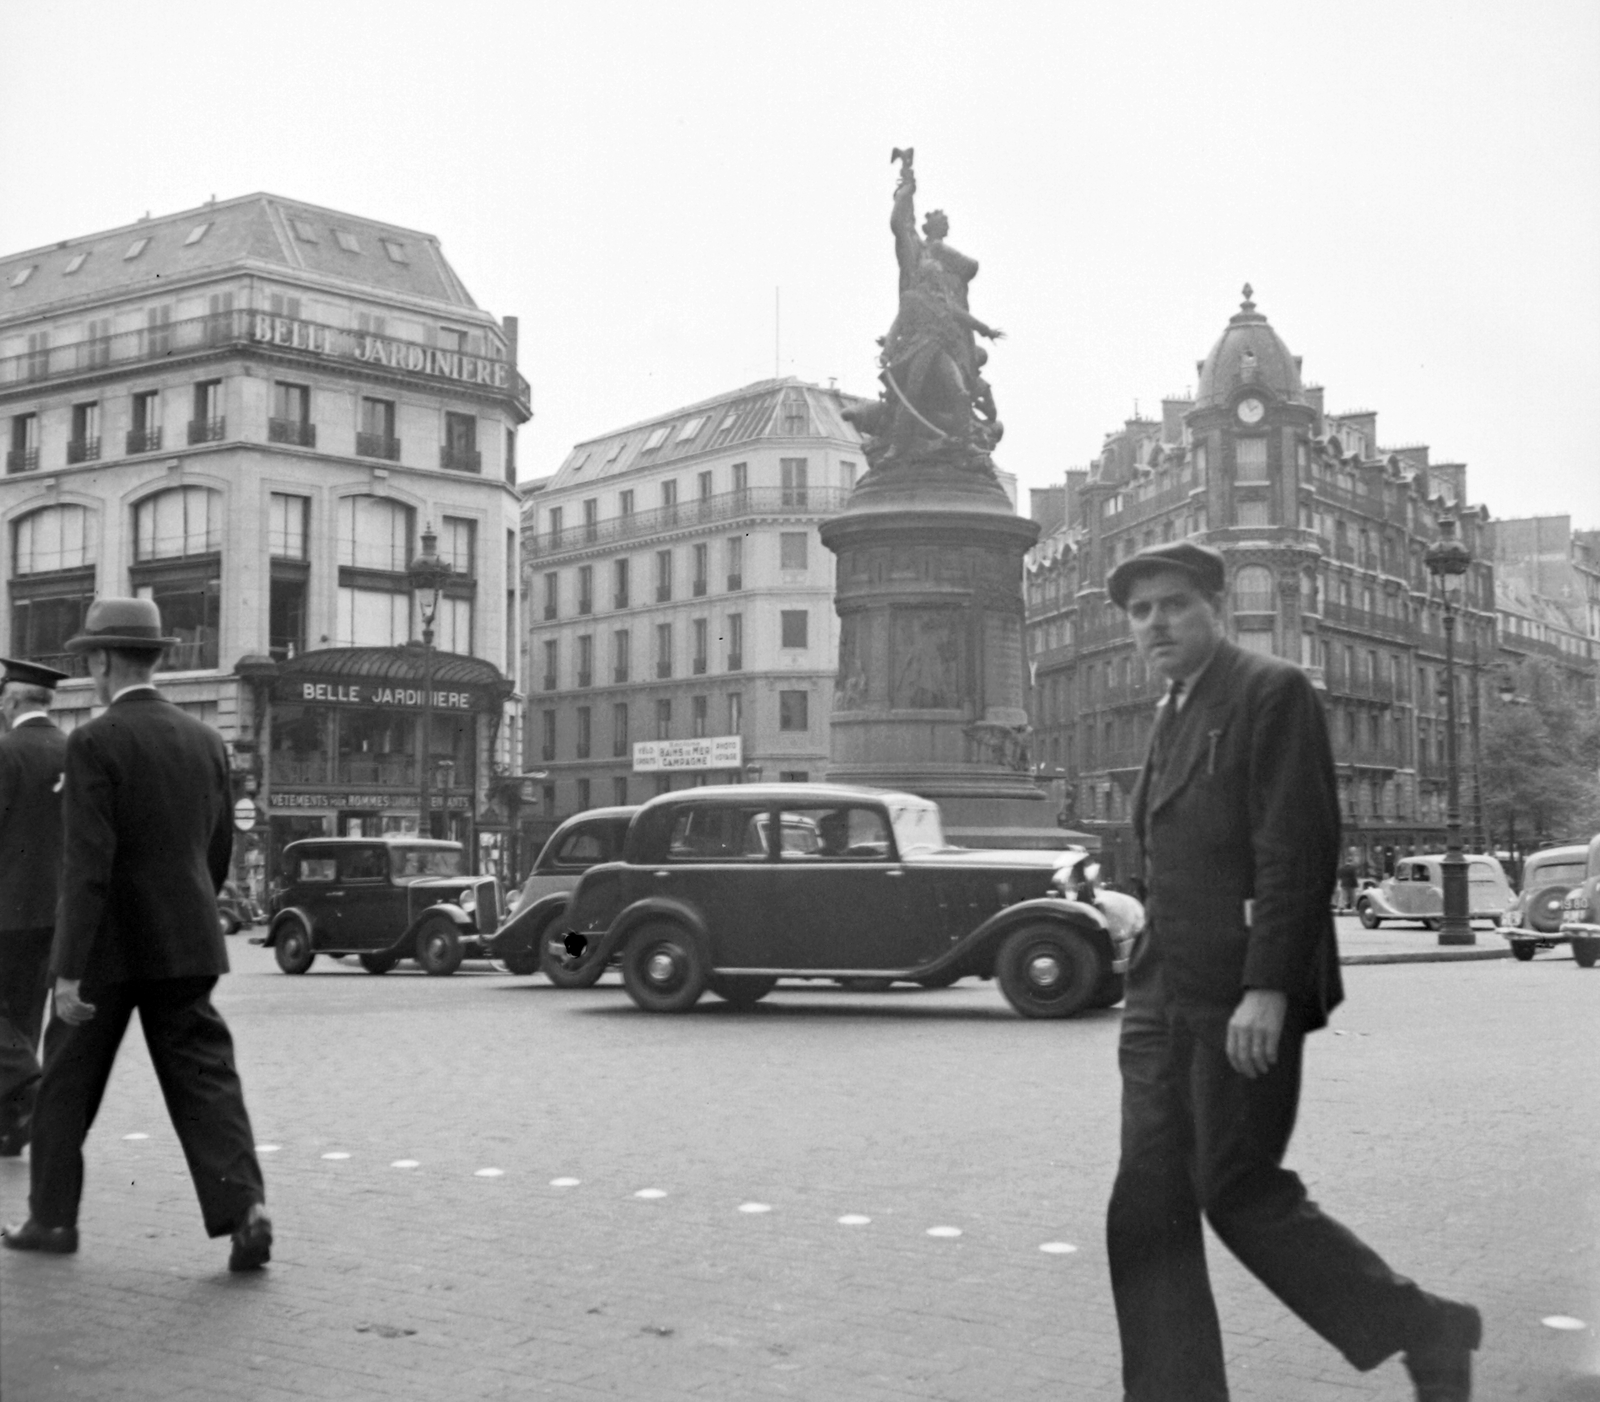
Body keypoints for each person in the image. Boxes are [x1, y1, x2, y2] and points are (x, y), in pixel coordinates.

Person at [1103, 541, 1481, 1402]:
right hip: (1162, 992)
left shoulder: (1271, 691)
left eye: (1174, 604)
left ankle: (1426, 1325)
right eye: (1140, 611)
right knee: (1146, 1204)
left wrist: (1268, 987)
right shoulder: (1172, 707)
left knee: (1238, 1190)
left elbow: (1297, 849)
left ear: (1215, 607)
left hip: (1239, 990)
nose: (1156, 623)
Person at [2, 599, 271, 1270]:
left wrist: (68, 968)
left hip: (107, 950)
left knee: (66, 1085)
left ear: (100, 661)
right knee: (206, 1078)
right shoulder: (204, 739)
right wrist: (189, 910)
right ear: (153, 658)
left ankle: (52, 1220)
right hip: (186, 942)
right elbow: (218, 850)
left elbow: (86, 864)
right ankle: (245, 1209)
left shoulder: (95, 740)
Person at [0, 657, 70, 1155]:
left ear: (11, 701)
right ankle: (13, 1127)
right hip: (58, 912)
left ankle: (29, 1079)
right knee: (25, 1015)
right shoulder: (74, 751)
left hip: (6, 909)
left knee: (10, 1025)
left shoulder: (6, 752)